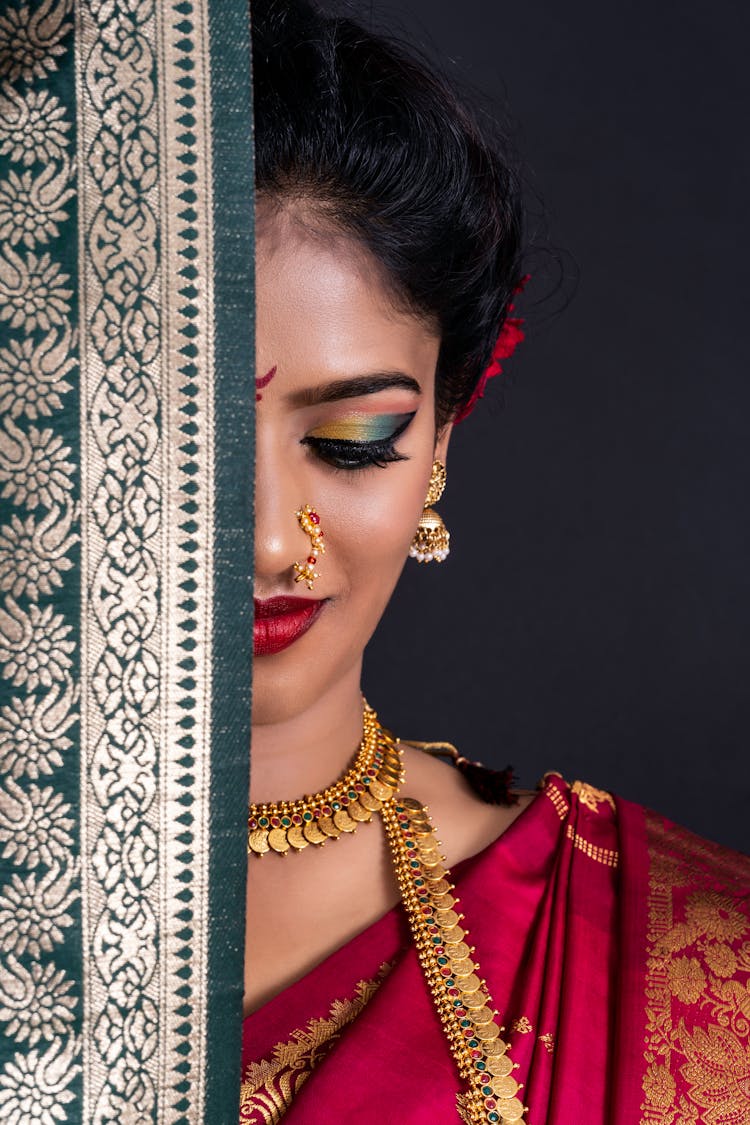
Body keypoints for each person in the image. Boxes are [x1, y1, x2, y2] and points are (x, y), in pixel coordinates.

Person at [242, 1, 750, 1121]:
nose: (274, 540)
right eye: (186, 448)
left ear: (439, 447)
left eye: (353, 444)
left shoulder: (694, 972)